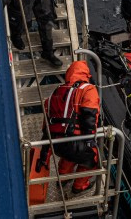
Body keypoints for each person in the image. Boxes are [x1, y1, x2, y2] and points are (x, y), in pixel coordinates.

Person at [38, 60, 100, 193]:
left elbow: (46, 127)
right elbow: (90, 116)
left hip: (57, 145)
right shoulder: (88, 89)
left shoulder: (55, 92)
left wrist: (44, 155)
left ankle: (63, 180)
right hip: (75, 144)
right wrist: (90, 142)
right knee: (92, 160)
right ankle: (79, 186)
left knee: (68, 155)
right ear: (86, 74)